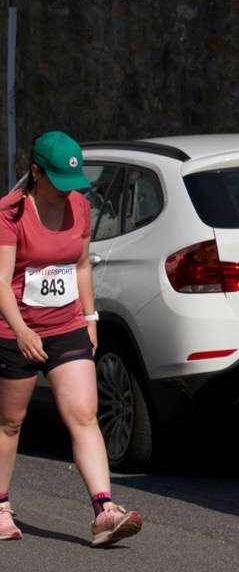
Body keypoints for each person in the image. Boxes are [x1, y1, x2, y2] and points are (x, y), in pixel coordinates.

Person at [0, 131, 142, 546]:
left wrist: (90, 317)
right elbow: (1, 281)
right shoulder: (10, 212)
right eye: (58, 181)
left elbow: (80, 265)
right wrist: (22, 330)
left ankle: (104, 512)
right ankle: (1, 505)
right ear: (35, 172)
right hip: (16, 329)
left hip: (66, 326)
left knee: (84, 414)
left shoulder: (78, 205)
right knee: (10, 422)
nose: (67, 191)